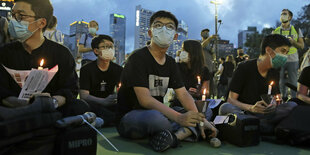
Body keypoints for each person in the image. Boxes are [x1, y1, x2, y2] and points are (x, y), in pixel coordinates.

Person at [117, 10, 217, 152]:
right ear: (150, 33)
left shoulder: (170, 62)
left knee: (204, 112)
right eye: (158, 25)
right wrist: (180, 118)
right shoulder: (138, 58)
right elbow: (145, 100)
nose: (164, 30)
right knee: (157, 119)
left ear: (175, 36)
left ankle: (174, 137)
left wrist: (201, 119)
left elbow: (183, 94)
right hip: (131, 117)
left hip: (160, 114)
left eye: (169, 27)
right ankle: (186, 131)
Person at [0, 0, 89, 117]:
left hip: (51, 108)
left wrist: (52, 102)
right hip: (14, 109)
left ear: (41, 23)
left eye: (20, 16)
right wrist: (22, 103)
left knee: (79, 106)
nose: (13, 20)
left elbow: (70, 89)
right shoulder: (4, 53)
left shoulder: (61, 53)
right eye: (12, 15)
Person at [219, 34, 297, 134]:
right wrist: (252, 108)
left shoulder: (274, 72)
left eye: (287, 53)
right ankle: (259, 126)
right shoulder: (244, 68)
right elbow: (231, 100)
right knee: (225, 107)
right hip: (244, 112)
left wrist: (274, 104)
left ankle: (252, 126)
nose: (285, 56)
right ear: (268, 50)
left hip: (264, 114)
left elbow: (276, 97)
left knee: (292, 105)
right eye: (283, 51)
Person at [80, 34, 123, 126]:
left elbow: (121, 89)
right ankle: (109, 120)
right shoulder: (86, 69)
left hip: (110, 104)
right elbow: (84, 95)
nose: (109, 49)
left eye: (111, 47)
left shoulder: (118, 69)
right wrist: (103, 101)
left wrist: (117, 97)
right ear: (96, 51)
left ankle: (101, 121)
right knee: (81, 106)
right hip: (93, 103)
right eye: (104, 47)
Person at [171, 39, 213, 120]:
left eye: (184, 50)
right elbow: (174, 92)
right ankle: (194, 131)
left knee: (207, 112)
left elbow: (206, 92)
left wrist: (198, 93)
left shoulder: (204, 70)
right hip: (179, 104)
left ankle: (184, 132)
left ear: (192, 52)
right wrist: (185, 93)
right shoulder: (177, 67)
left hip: (198, 104)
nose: (181, 52)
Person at [272, 9, 305, 100]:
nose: (282, 16)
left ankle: (294, 100)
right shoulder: (276, 31)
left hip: (292, 59)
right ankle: (282, 99)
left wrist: (293, 42)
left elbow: (302, 46)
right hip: (280, 59)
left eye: (285, 14)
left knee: (293, 81)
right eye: (281, 14)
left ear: (290, 17)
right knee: (280, 81)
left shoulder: (297, 29)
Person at [201, 28, 217, 98]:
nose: (207, 34)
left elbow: (213, 55)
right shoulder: (201, 43)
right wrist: (210, 38)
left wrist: (213, 53)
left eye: (208, 32)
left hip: (210, 69)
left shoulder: (209, 45)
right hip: (204, 68)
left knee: (210, 87)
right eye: (205, 32)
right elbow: (203, 45)